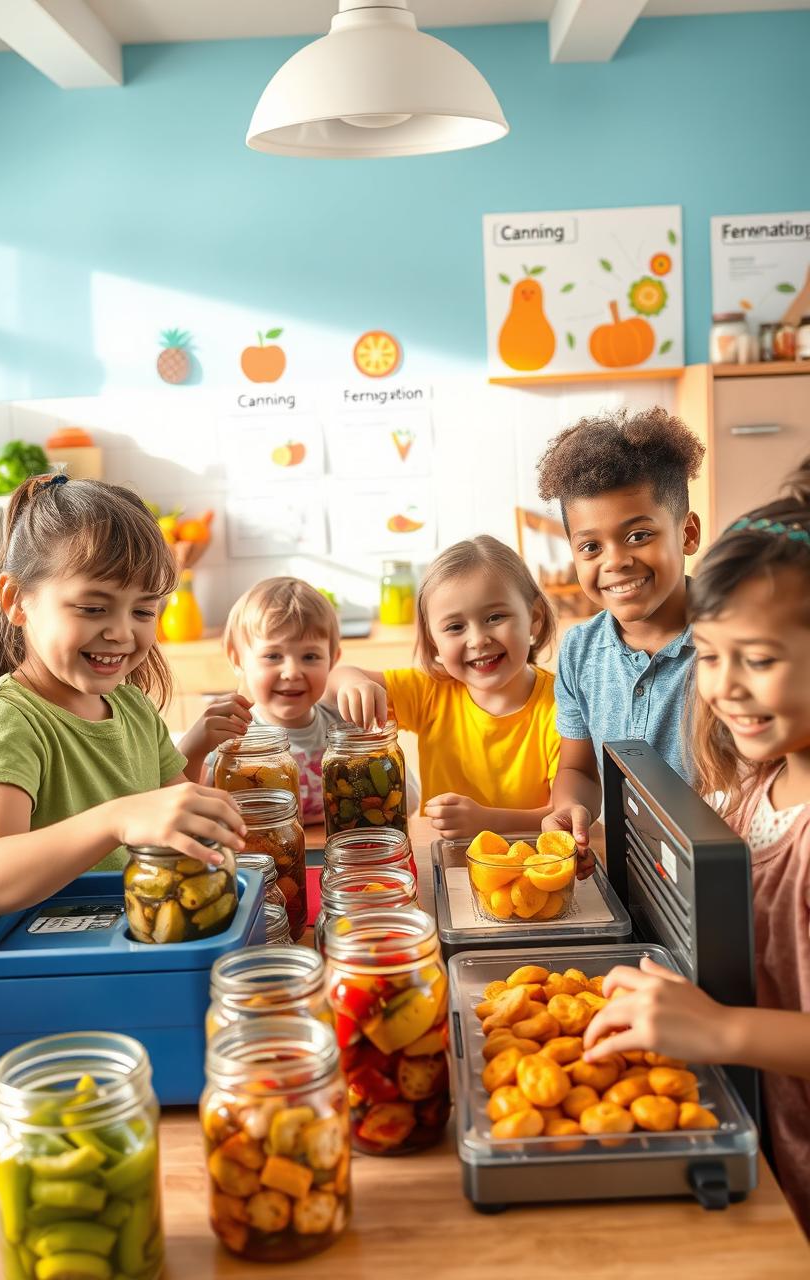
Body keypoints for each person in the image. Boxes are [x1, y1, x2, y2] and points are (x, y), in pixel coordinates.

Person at [583, 461, 810, 1233]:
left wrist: (717, 1029)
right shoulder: (756, 787)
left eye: (760, 660)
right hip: (773, 1143)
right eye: (710, 656)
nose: (725, 687)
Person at [0, 475, 246, 917]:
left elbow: (174, 819)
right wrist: (115, 819)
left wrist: (199, 763)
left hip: (134, 936)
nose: (122, 632)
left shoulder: (132, 706)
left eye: (143, 611)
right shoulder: (4, 720)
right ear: (17, 600)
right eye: (92, 608)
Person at [537, 407, 704, 853]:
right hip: (630, 865)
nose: (614, 561)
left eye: (637, 536)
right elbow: (581, 771)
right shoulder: (579, 650)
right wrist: (572, 808)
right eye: (591, 546)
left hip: (719, 872)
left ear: (687, 534)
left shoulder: (732, 642)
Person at [327, 535, 559, 839]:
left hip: (529, 863)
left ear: (535, 618)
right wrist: (354, 683)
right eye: (455, 627)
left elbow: (565, 815)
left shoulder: (560, 704)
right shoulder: (431, 690)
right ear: (434, 640)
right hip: (441, 859)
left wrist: (487, 821)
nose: (477, 640)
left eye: (495, 617)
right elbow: (335, 680)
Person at [182, 576, 342, 824]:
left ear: (333, 659)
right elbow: (192, 806)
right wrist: (194, 747)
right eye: (273, 655)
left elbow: (407, 796)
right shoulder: (230, 738)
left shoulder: (344, 729)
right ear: (237, 659)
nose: (291, 672)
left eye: (310, 656)